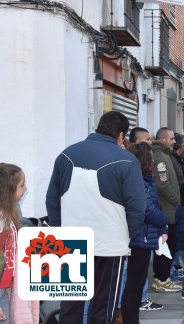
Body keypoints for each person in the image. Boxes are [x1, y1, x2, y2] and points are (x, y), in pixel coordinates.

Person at [46, 111, 146, 323]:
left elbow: (52, 199)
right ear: (121, 135)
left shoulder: (66, 154)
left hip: (70, 241)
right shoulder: (127, 160)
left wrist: (58, 231)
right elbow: (137, 207)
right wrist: (125, 235)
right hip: (109, 244)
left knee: (70, 304)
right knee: (103, 304)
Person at [121, 143, 168, 324]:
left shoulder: (141, 179)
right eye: (151, 156)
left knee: (134, 285)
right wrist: (164, 220)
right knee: (134, 285)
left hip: (140, 236)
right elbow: (147, 209)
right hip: (140, 238)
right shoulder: (141, 180)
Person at [0, 164, 39, 323]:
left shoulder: (10, 212)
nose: (26, 189)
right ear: (8, 190)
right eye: (22, 185)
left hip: (6, 288)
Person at [151, 127, 182, 292]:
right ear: (163, 140)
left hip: (168, 209)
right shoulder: (160, 158)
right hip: (166, 210)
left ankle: (161, 278)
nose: (174, 141)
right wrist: (176, 200)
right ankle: (161, 279)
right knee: (167, 245)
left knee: (167, 245)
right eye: (171, 138)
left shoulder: (164, 155)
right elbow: (162, 184)